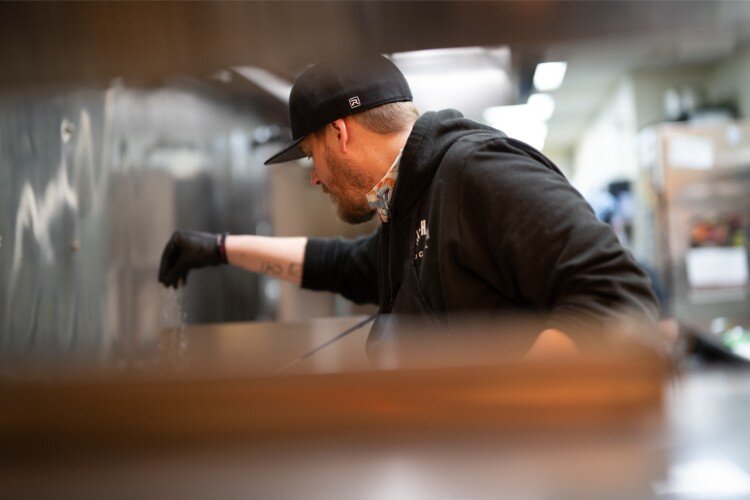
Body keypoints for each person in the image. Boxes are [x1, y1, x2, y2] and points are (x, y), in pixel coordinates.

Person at [158, 54, 659, 356]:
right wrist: (221, 249)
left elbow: (617, 298)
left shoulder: (475, 170)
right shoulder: (414, 200)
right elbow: (346, 266)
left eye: (312, 156)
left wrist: (503, 423)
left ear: (340, 133)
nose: (313, 176)